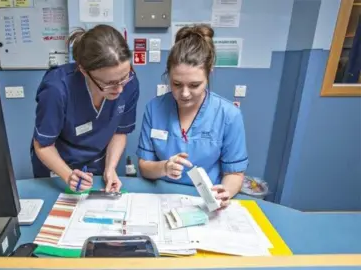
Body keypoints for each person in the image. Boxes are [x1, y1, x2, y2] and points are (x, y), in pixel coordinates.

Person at [136, 24, 248, 209]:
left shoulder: (229, 115)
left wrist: (224, 193)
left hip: (204, 201)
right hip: (161, 197)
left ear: (209, 71)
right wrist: (164, 167)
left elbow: (235, 174)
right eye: (177, 84)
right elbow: (144, 166)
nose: (184, 93)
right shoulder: (154, 108)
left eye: (194, 85)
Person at [31, 25, 140, 192]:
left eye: (124, 77)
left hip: (99, 163)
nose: (119, 89)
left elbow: (119, 131)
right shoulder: (56, 89)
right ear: (83, 70)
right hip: (58, 167)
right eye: (109, 83)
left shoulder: (129, 84)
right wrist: (68, 176)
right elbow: (43, 145)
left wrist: (110, 169)